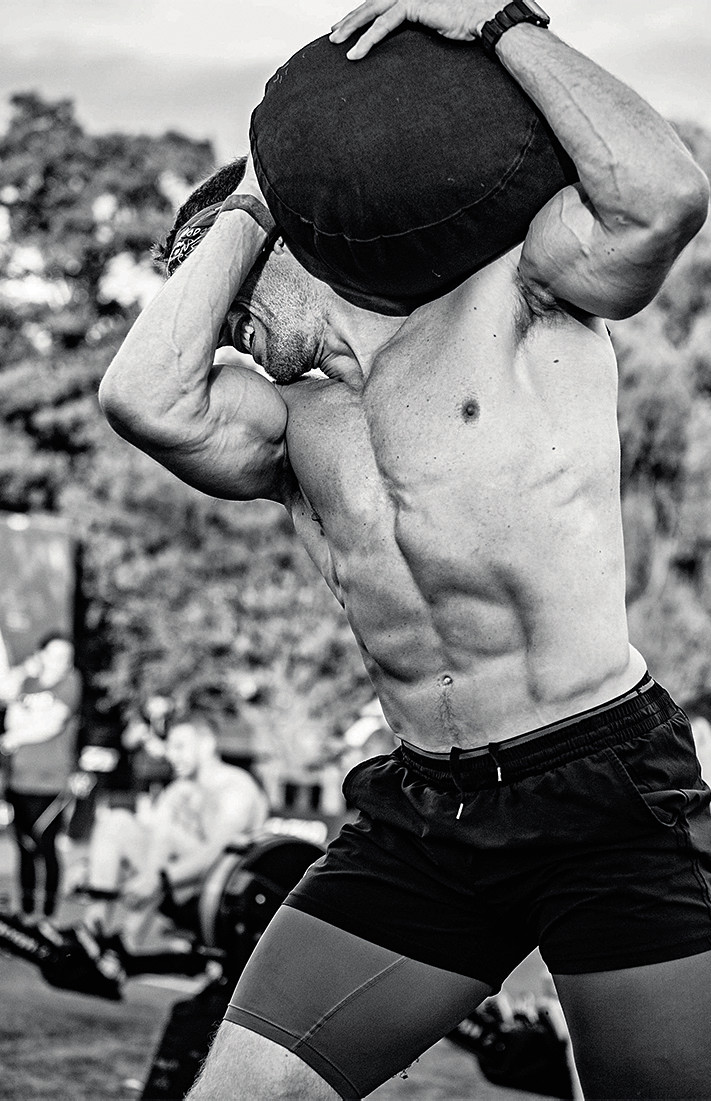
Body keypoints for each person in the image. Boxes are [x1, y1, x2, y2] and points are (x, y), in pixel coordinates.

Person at [98, 2, 711, 1097]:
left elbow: (662, 197)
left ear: (303, 241)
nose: (222, 328)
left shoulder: (512, 297)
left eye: (230, 293)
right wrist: (249, 201)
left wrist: (500, 24)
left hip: (603, 790)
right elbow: (143, 396)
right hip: (426, 815)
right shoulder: (294, 428)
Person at [81, 712, 269, 947]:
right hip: (176, 883)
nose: (171, 755)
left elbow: (219, 854)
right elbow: (148, 837)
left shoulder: (236, 788)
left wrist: (158, 879)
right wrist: (88, 868)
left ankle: (126, 942)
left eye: (180, 746)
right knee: (116, 822)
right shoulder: (180, 788)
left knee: (168, 835)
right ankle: (92, 933)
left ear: (207, 744)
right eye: (169, 747)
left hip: (221, 895)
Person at [0, 633, 81, 921]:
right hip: (19, 780)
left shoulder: (71, 682)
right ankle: (26, 913)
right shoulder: (27, 683)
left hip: (52, 782)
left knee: (45, 844)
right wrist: (24, 673)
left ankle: (48, 915)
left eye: (66, 657)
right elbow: (11, 715)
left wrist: (16, 735)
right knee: (24, 847)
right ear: (41, 654)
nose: (61, 662)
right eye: (55, 654)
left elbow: (53, 722)